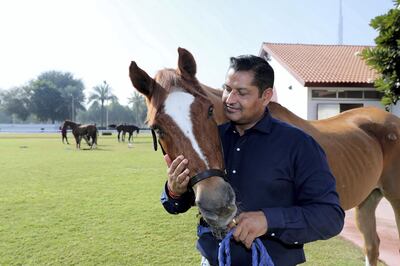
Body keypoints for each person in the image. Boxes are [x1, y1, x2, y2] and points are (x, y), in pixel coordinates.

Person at [161, 55, 345, 266]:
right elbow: (180, 202)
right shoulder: (210, 137)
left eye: (242, 93)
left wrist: (268, 220)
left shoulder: (299, 145)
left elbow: (330, 216)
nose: (229, 99)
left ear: (266, 96)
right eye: (227, 89)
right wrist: (174, 190)